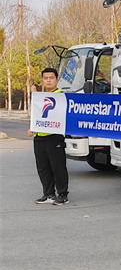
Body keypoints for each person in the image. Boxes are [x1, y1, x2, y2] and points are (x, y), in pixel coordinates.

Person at [27, 67, 69, 205]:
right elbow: (36, 115)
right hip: (39, 137)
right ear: (42, 80)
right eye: (45, 78)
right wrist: (32, 128)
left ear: (57, 80)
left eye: (51, 78)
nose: (48, 80)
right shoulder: (40, 97)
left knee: (58, 167)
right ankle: (48, 194)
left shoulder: (61, 95)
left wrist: (36, 94)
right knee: (43, 167)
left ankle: (63, 194)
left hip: (54, 136)